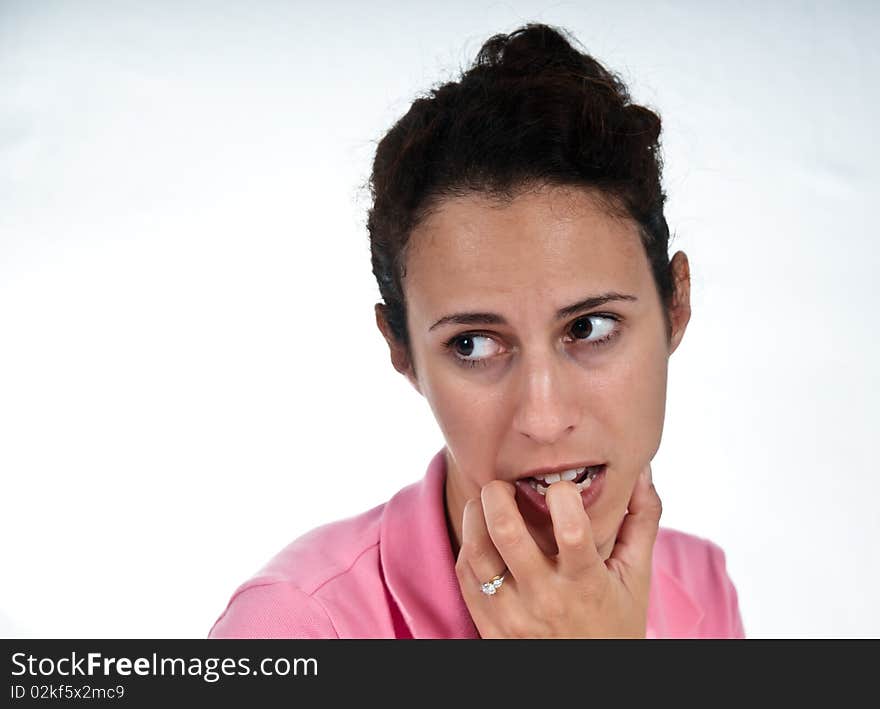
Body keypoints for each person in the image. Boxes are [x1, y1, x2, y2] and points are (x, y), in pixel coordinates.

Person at [208, 22, 745, 639]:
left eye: (590, 327)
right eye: (473, 345)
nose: (544, 417)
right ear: (403, 351)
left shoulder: (701, 585)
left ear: (675, 308)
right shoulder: (294, 626)